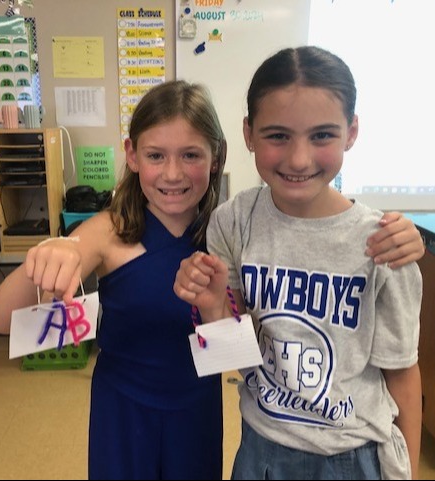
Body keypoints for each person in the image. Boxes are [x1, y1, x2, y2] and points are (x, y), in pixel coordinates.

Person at [0, 78, 422, 481]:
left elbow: (233, 354)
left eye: (191, 155)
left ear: (217, 157)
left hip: (196, 411)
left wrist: (395, 232)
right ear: (132, 155)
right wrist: (50, 252)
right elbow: (2, 320)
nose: (173, 174)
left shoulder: (230, 233)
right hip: (121, 412)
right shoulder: (108, 230)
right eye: (156, 155)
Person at [173, 46, 423, 480]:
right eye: (278, 136)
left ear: (352, 132)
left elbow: (402, 373)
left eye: (322, 135)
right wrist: (214, 308)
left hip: (352, 456)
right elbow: (233, 359)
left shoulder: (385, 245)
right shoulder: (232, 222)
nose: (299, 159)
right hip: (261, 447)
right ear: (249, 134)